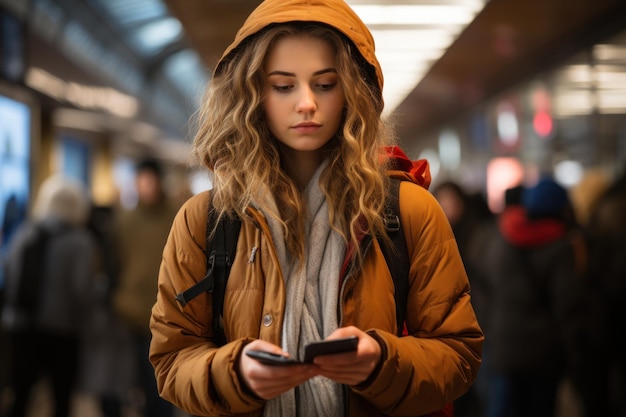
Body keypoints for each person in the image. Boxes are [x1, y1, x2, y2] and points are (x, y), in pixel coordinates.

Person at [149, 1, 484, 416]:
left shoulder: (409, 209)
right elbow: (171, 358)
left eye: (325, 84)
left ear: (352, 91)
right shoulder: (205, 220)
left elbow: (459, 354)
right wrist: (233, 373)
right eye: (283, 86)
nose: (306, 103)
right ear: (252, 93)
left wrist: (381, 363)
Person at [479, 177, 587, 417]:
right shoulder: (560, 247)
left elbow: (486, 284)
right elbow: (567, 307)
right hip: (543, 355)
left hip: (502, 345)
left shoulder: (502, 236)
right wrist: (576, 355)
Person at [1, 174, 97, 417]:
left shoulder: (26, 232)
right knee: (61, 397)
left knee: (20, 394)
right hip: (62, 331)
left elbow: (10, 273)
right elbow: (82, 290)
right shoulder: (80, 242)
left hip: (22, 326)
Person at [112, 158, 180, 417]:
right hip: (129, 313)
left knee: (160, 384)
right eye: (142, 180)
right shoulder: (125, 222)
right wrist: (118, 299)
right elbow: (115, 263)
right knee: (134, 381)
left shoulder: (176, 217)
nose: (147, 186)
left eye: (151, 180)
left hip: (165, 313)